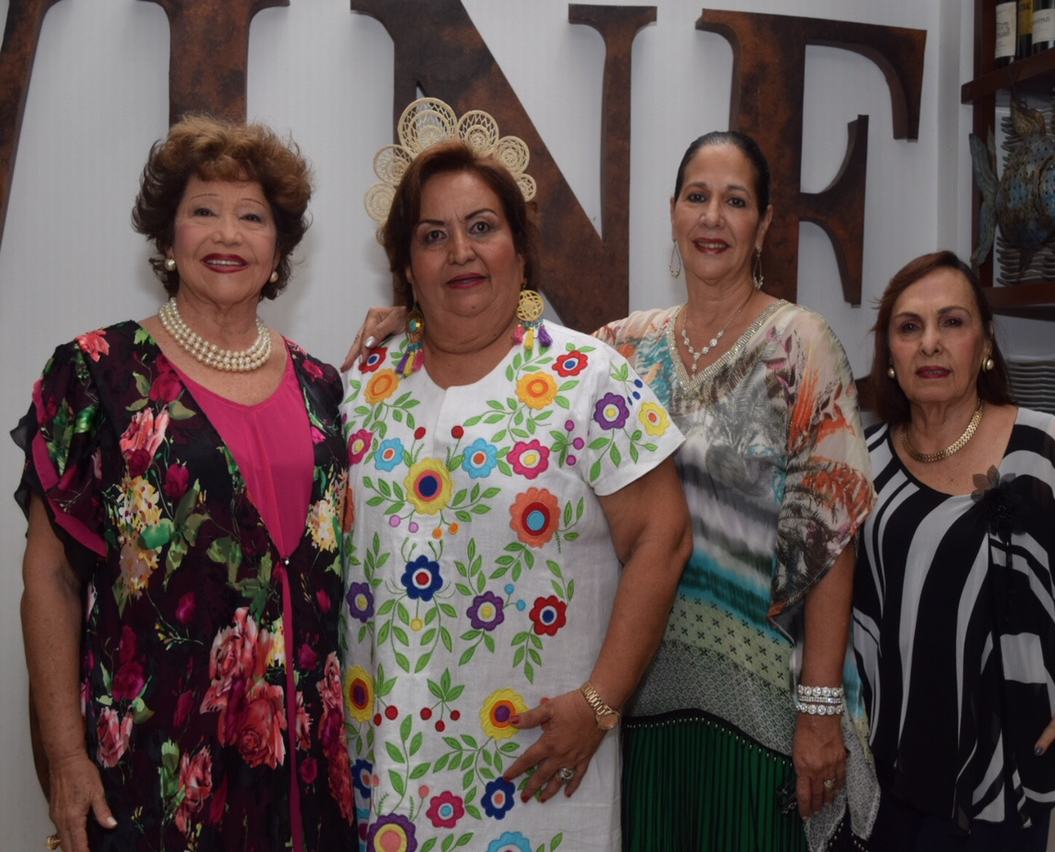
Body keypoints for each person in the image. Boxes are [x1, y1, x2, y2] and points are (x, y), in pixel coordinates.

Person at [345, 129, 878, 852]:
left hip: (754, 693)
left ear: (764, 223)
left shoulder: (797, 343)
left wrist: (817, 703)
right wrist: (412, 319)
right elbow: (497, 344)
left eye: (734, 201)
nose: (712, 217)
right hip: (650, 705)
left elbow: (829, 528)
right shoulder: (627, 342)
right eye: (697, 197)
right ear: (671, 212)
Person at [340, 99, 692, 852]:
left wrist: (600, 705)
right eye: (432, 236)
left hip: (540, 766)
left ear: (519, 252)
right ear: (407, 265)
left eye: (481, 227)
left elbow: (662, 539)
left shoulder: (586, 376)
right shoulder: (363, 384)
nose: (459, 251)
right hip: (383, 766)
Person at [14, 116, 358, 852]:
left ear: (278, 250)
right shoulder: (97, 372)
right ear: (168, 241)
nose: (226, 235)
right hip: (155, 768)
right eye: (203, 211)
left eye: (252, 216)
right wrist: (66, 758)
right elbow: (49, 577)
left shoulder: (322, 384)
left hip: (305, 773)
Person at [852, 250, 1055, 851]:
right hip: (875, 783)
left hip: (1000, 791)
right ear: (889, 357)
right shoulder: (861, 465)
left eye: (952, 322)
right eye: (909, 326)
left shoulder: (1041, 451)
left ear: (986, 343)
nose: (930, 343)